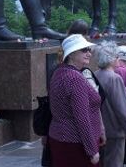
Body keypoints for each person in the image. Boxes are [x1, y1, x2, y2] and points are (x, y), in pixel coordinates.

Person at [48, 34, 103, 166]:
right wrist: (92, 151)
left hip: (60, 138)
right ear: (71, 54)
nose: (89, 53)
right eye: (84, 50)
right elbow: (82, 118)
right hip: (76, 144)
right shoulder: (75, 78)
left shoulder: (59, 72)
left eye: (89, 49)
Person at [93, 42, 126, 167]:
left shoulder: (94, 75)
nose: (118, 59)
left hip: (98, 130)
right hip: (115, 132)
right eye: (117, 56)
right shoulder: (114, 78)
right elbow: (121, 109)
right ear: (110, 59)